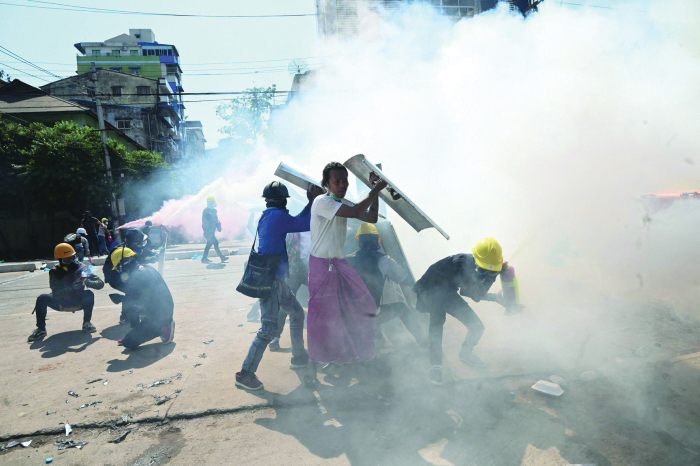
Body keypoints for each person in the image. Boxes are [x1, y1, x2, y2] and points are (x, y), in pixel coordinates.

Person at [235, 182, 322, 391]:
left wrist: (310, 202)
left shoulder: (267, 215)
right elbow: (306, 223)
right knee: (267, 329)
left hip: (276, 279)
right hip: (271, 281)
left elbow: (295, 220)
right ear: (283, 200)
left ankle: (299, 356)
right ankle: (245, 373)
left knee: (296, 313)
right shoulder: (279, 217)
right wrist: (315, 202)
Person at [307, 162, 387, 376]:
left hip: (338, 263)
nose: (342, 185)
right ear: (327, 184)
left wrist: (376, 194)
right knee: (326, 316)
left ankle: (347, 355)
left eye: (345, 181)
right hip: (322, 265)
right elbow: (357, 211)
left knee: (364, 304)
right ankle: (324, 359)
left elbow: (371, 218)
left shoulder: (340, 204)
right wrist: (375, 190)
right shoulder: (322, 201)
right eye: (337, 181)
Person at [413, 238, 521, 385]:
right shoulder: (462, 266)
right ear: (476, 260)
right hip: (429, 292)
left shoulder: (474, 266)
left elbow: (467, 292)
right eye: (483, 270)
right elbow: (475, 295)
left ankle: (465, 354)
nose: (484, 274)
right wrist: (493, 276)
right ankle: (436, 366)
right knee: (437, 327)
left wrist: (494, 287)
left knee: (477, 326)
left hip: (448, 292)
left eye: (490, 271)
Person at [346, 223, 426, 349]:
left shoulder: (346, 260)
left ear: (359, 240)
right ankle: (424, 343)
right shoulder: (384, 260)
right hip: (369, 316)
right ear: (377, 239)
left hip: (347, 315)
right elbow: (404, 279)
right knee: (401, 308)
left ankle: (377, 341)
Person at [27, 243, 104, 342]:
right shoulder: (55, 271)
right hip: (61, 302)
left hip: (79, 301)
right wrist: (71, 288)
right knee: (42, 298)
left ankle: (87, 323)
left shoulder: (82, 268)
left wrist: (88, 282)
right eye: (66, 259)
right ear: (60, 260)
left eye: (72, 257)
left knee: (89, 294)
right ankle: (41, 329)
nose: (70, 261)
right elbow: (56, 293)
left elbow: (100, 284)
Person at [110, 247, 175, 349]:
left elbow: (137, 301)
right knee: (130, 305)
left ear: (125, 262)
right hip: (163, 309)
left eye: (119, 267)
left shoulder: (137, 276)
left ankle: (164, 326)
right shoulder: (146, 268)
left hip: (159, 316)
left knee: (128, 343)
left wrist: (121, 299)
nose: (119, 270)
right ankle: (138, 331)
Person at [103, 227, 158, 325]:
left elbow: (144, 251)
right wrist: (149, 260)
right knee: (133, 291)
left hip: (126, 276)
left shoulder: (134, 247)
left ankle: (139, 310)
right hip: (116, 278)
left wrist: (154, 254)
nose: (142, 245)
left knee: (141, 289)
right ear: (134, 243)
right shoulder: (124, 252)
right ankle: (125, 316)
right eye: (140, 243)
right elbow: (134, 264)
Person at [268, 231, 311, 351]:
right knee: (285, 304)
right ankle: (275, 338)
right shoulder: (297, 228)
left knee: (322, 300)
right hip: (296, 269)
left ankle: (275, 339)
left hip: (307, 268)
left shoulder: (313, 226)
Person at [201, 196, 227, 264]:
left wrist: (218, 224)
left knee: (209, 244)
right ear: (210, 202)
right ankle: (222, 257)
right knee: (215, 243)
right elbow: (206, 222)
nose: (214, 203)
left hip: (212, 231)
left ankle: (204, 258)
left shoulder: (214, 211)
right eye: (213, 202)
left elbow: (216, 220)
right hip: (208, 231)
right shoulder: (206, 211)